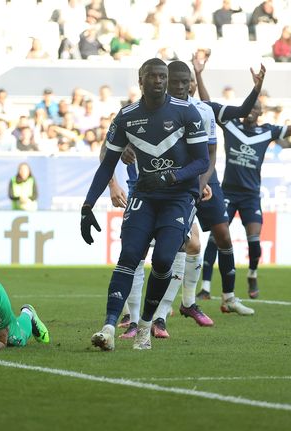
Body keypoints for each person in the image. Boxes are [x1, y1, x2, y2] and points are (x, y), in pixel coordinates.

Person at [115, 57, 267, 339]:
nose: (182, 86)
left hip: (188, 187)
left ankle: (169, 312)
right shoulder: (144, 111)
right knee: (138, 253)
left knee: (195, 243)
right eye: (175, 81)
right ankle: (133, 318)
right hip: (152, 189)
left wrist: (200, 184)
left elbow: (211, 150)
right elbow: (114, 146)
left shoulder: (203, 110)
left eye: (187, 82)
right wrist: (117, 173)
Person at [79, 58, 209, 351]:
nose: (159, 81)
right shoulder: (126, 117)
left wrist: (171, 176)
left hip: (178, 197)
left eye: (163, 76)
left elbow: (202, 161)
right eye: (153, 76)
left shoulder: (187, 112)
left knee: (163, 260)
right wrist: (88, 205)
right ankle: (109, 327)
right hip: (144, 196)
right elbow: (107, 164)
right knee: (129, 256)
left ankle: (146, 326)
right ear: (141, 80)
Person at [200, 77, 291, 300]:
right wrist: (200, 74)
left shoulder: (267, 131)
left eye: (255, 108)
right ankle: (206, 288)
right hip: (228, 192)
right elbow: (207, 107)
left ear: (260, 113)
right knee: (215, 237)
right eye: (249, 107)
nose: (251, 111)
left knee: (254, 239)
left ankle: (252, 274)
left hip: (250, 195)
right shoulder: (231, 125)